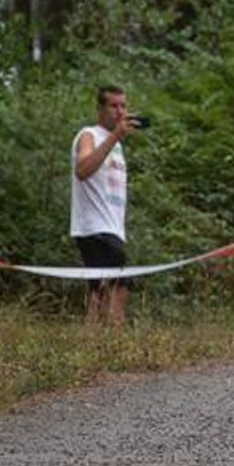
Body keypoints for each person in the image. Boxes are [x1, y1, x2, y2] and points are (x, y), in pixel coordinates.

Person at [71, 85, 139, 324]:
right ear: (100, 108)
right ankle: (110, 344)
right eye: (113, 106)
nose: (120, 111)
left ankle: (95, 343)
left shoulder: (117, 145)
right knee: (115, 288)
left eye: (124, 106)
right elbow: (82, 170)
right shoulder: (88, 135)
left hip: (113, 229)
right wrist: (114, 136)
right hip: (94, 228)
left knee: (101, 290)